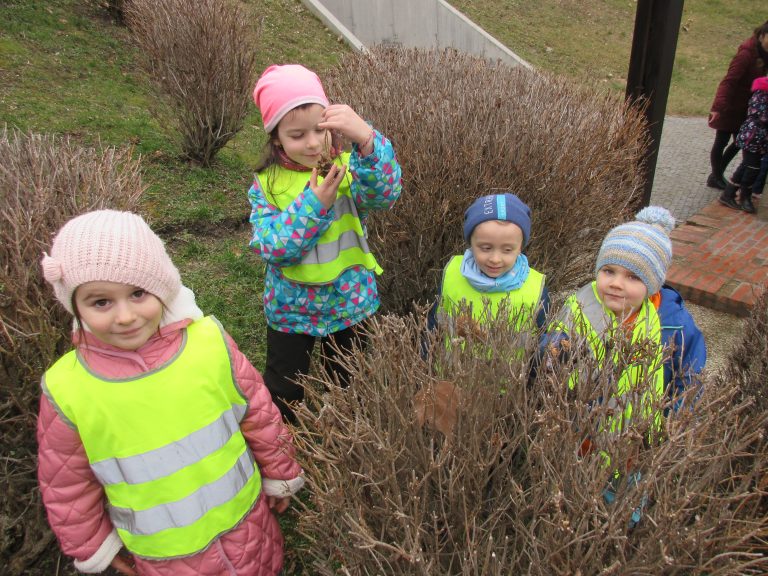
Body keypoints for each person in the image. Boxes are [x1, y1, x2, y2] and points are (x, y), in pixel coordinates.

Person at [37, 210, 304, 576]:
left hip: (248, 526)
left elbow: (257, 413)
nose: (126, 315)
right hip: (164, 556)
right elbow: (67, 482)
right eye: (101, 302)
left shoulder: (209, 343)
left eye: (137, 293)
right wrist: (94, 546)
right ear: (74, 306)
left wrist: (280, 473)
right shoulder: (68, 389)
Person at [248, 64, 402, 422]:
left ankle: (347, 441)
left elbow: (386, 193)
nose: (314, 143)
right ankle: (282, 446)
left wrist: (366, 140)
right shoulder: (267, 184)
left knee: (350, 383)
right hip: (291, 309)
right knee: (286, 387)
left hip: (350, 301)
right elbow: (273, 247)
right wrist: (314, 205)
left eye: (320, 129)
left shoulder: (349, 167)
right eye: (297, 135)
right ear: (277, 139)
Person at [544, 206, 705, 432]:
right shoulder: (579, 304)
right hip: (575, 429)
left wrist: (671, 427)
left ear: (652, 284)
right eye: (609, 271)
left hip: (634, 439)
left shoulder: (674, 324)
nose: (616, 283)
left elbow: (689, 381)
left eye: (633, 276)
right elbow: (553, 351)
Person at [430, 193, 550, 348]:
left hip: (507, 372)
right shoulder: (452, 274)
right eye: (485, 248)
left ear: (520, 247)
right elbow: (433, 324)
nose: (495, 259)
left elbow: (542, 342)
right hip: (451, 371)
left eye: (507, 250)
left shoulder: (535, 290)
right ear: (471, 243)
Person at [706, 20, 768, 191]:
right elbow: (729, 81)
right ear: (762, 35)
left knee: (740, 142)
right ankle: (716, 177)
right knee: (722, 141)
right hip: (730, 105)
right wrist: (719, 107)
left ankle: (716, 175)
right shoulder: (746, 54)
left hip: (745, 107)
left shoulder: (763, 52)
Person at [719, 74, 768, 214]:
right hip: (752, 136)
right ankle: (745, 197)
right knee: (753, 167)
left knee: (746, 165)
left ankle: (728, 194)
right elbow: (760, 115)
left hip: (760, 139)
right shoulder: (762, 92)